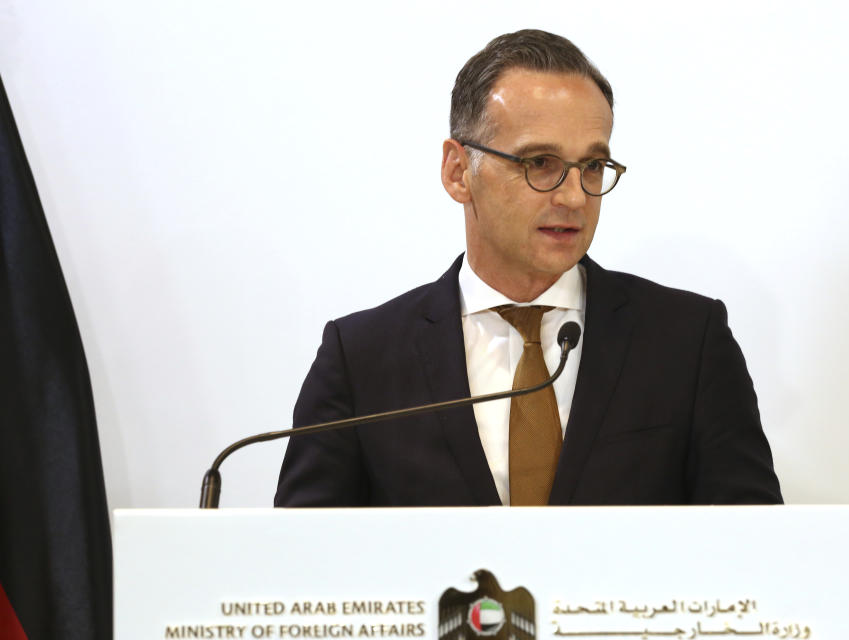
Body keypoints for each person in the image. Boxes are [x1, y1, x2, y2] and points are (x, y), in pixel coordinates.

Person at [274, 30, 781, 507]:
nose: (573, 196)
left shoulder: (686, 342)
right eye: (540, 162)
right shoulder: (361, 358)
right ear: (458, 172)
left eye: (592, 166)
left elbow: (756, 552)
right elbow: (304, 563)